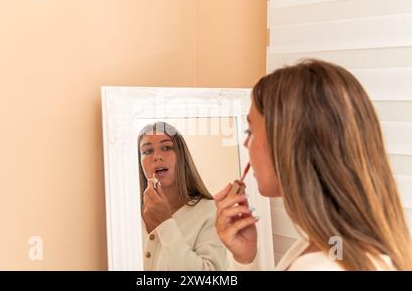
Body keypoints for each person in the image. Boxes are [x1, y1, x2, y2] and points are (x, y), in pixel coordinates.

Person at [215, 59, 412, 270]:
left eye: (250, 132)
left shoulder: (320, 263)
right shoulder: (330, 245)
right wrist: (246, 257)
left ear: (289, 144)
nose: (245, 144)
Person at [138, 122, 228, 270]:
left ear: (181, 156)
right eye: (147, 151)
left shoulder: (210, 212)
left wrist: (165, 223)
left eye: (166, 147)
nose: (157, 157)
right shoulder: (127, 217)